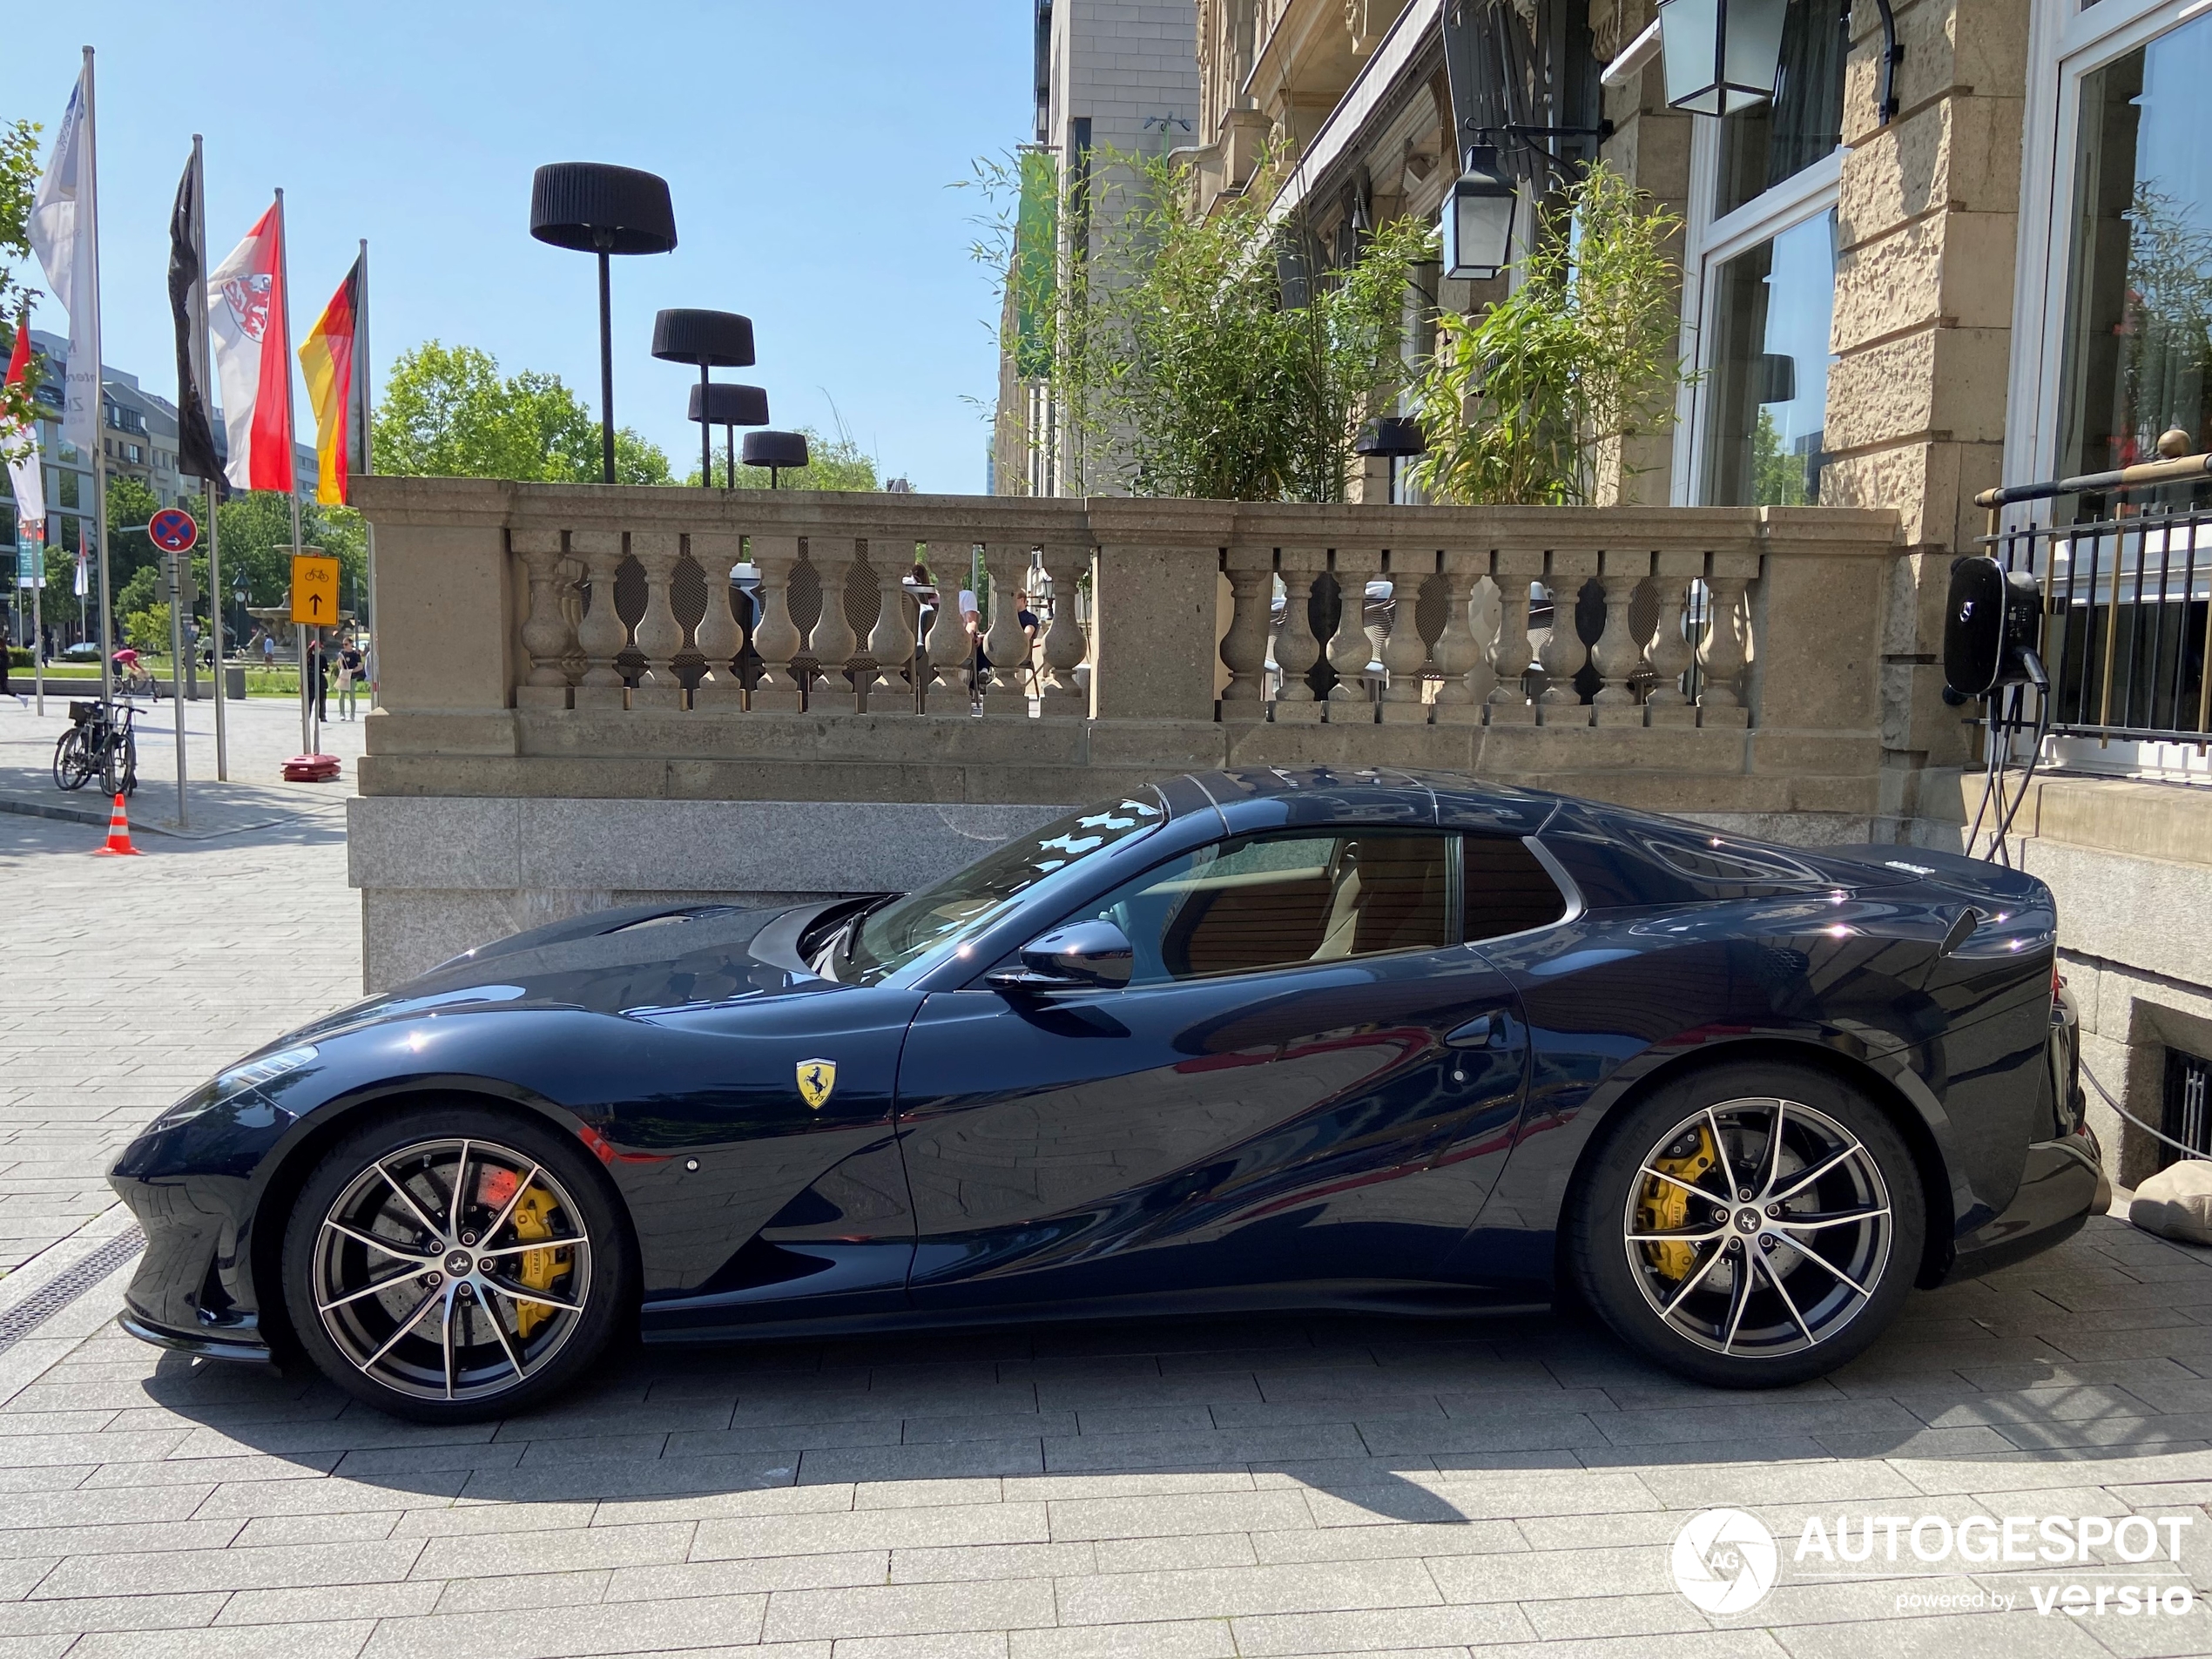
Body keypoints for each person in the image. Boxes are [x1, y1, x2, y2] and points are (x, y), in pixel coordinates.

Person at [337, 633, 364, 720]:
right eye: (343, 644)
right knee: (341, 696)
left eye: (346, 644)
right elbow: (339, 663)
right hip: (344, 677)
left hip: (352, 677)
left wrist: (351, 671)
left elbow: (360, 666)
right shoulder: (342, 653)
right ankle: (342, 714)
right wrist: (342, 669)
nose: (344, 646)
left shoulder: (356, 654)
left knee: (352, 697)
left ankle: (352, 715)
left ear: (351, 644)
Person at [304, 631, 328, 723]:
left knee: (315, 700)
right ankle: (320, 716)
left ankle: (312, 716)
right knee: (317, 700)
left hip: (314, 680)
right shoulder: (312, 657)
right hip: (314, 680)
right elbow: (326, 669)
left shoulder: (309, 657)